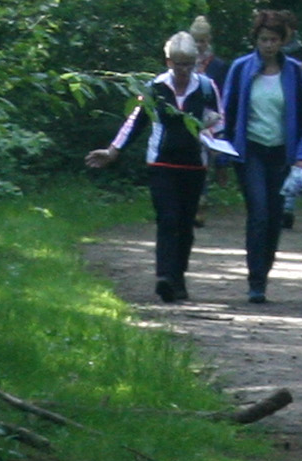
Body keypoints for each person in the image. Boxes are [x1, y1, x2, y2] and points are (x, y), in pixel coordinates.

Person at [86, 31, 223, 302]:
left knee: (185, 224)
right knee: (167, 219)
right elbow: (136, 122)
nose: (184, 70)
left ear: (196, 62)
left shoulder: (207, 87)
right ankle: (165, 277)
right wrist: (113, 151)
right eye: (178, 64)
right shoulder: (154, 88)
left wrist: (213, 134)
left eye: (189, 64)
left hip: (194, 166)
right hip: (162, 163)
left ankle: (178, 277)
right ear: (168, 62)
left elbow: (219, 120)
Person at [214, 9, 302, 302]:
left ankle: (264, 273)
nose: (268, 45)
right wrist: (222, 157)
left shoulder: (294, 72)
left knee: (275, 217)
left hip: (282, 153)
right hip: (251, 151)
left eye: (273, 39)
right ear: (255, 40)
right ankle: (255, 282)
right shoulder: (241, 69)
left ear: (283, 41)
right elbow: (227, 113)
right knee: (258, 213)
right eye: (263, 39)